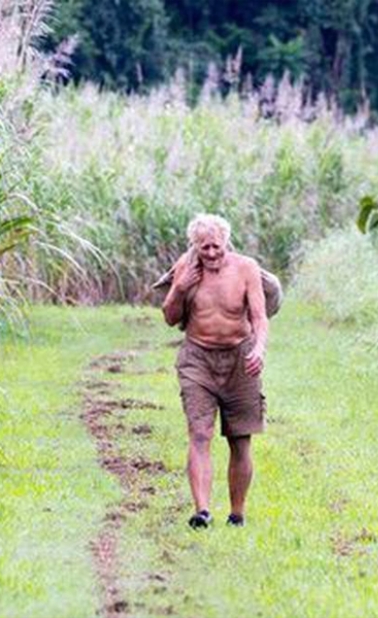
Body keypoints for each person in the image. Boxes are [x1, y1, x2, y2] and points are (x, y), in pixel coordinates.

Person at [162, 214, 268, 528]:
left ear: (226, 242)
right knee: (199, 434)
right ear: (194, 246)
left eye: (216, 247)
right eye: (204, 247)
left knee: (240, 439)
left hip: (240, 358)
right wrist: (180, 288)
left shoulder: (246, 268)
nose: (211, 253)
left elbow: (260, 318)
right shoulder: (186, 268)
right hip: (198, 360)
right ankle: (202, 512)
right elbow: (169, 317)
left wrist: (258, 348)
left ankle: (237, 514)